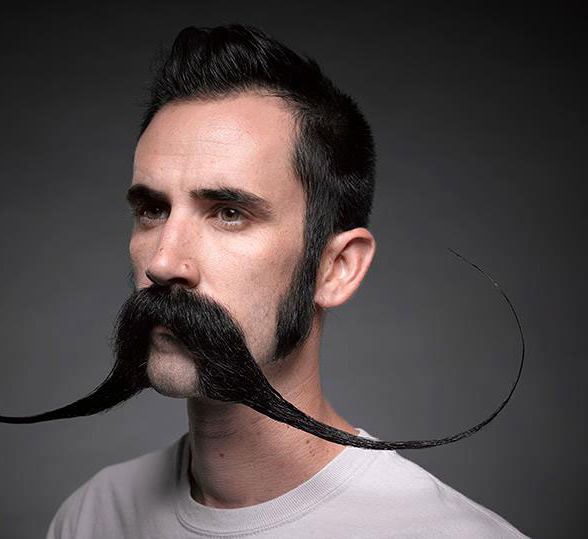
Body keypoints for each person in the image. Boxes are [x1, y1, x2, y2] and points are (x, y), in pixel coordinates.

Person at [42, 24, 528, 539]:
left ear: (336, 269)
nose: (163, 263)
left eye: (229, 213)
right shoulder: (92, 517)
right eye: (152, 209)